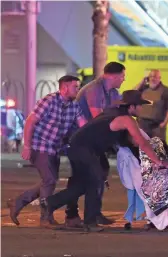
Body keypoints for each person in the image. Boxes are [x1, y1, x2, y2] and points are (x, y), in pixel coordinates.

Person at [40, 90, 168, 232]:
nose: (142, 108)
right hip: (84, 149)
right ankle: (89, 222)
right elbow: (141, 143)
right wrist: (158, 161)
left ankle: (51, 203)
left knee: (85, 184)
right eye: (139, 105)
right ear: (131, 106)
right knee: (94, 182)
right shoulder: (126, 120)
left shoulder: (111, 113)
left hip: (78, 147)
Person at [7, 75, 86, 227]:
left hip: (55, 149)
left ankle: (18, 202)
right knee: (49, 181)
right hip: (40, 147)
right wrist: (27, 146)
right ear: (64, 88)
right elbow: (30, 121)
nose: (78, 89)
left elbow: (83, 125)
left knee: (48, 182)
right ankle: (45, 218)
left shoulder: (74, 106)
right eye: (75, 87)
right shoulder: (49, 101)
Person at [66, 62, 125, 227]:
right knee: (83, 178)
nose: (123, 80)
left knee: (100, 173)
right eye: (122, 76)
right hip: (80, 141)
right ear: (113, 76)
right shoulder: (94, 89)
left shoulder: (113, 92)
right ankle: (71, 214)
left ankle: (93, 213)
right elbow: (98, 118)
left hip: (94, 142)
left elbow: (117, 112)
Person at [134, 69, 168, 141]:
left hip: (157, 126)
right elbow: (132, 93)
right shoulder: (143, 88)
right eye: (151, 76)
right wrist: (141, 82)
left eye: (155, 77)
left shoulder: (165, 90)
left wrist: (165, 123)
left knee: (158, 148)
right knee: (141, 147)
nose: (153, 79)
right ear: (148, 78)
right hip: (142, 124)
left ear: (159, 78)